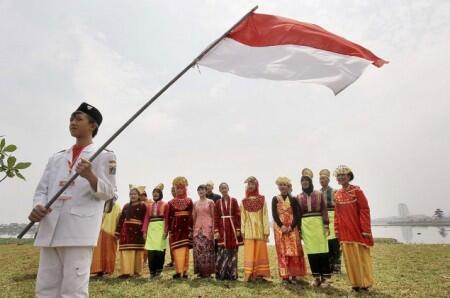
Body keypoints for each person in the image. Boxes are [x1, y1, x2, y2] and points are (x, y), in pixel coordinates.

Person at [28, 102, 116, 297]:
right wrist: (38, 206)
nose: (72, 122)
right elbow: (42, 190)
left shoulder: (104, 155)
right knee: (45, 288)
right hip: (50, 228)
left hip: (78, 230)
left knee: (73, 289)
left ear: (92, 126)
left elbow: (110, 193)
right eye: (71, 118)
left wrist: (91, 177)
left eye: (78, 118)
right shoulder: (57, 158)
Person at [334, 165, 374, 292]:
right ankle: (355, 284)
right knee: (349, 258)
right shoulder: (337, 194)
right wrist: (336, 229)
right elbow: (337, 213)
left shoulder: (357, 191)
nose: (340, 177)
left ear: (349, 176)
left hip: (357, 230)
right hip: (344, 231)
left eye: (343, 175)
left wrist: (365, 229)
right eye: (338, 175)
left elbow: (365, 210)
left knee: (361, 257)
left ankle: (365, 284)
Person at [297, 168, 331, 288]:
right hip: (306, 226)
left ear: (310, 182)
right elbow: (298, 214)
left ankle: (325, 278)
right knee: (311, 252)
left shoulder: (319, 194)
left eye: (306, 181)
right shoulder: (299, 197)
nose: (305, 183)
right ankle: (316, 277)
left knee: (323, 251)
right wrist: (299, 230)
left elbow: (324, 210)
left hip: (318, 224)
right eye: (302, 182)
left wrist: (326, 225)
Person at [272, 177, 306, 284]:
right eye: (280, 185)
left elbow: (297, 214)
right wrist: (281, 225)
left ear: (288, 187)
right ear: (278, 186)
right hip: (279, 228)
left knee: (294, 251)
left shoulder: (294, 199)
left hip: (292, 227)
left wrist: (291, 226)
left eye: (284, 185)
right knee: (282, 252)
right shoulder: (275, 199)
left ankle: (294, 276)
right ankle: (285, 277)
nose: (282, 187)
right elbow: (274, 214)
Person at [240, 176, 271, 282]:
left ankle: (259, 274)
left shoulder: (262, 199)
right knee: (249, 252)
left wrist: (266, 231)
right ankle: (249, 274)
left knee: (260, 252)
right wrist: (243, 231)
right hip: (248, 231)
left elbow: (265, 215)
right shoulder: (244, 201)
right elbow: (242, 217)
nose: (250, 186)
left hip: (260, 231)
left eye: (252, 184)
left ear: (256, 185)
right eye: (249, 184)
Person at [115, 186, 146, 278]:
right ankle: (126, 272)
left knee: (136, 251)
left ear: (139, 195)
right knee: (126, 251)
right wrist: (117, 232)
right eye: (131, 194)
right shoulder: (126, 206)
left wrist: (144, 231)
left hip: (138, 231)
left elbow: (145, 219)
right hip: (126, 231)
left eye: (135, 194)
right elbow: (121, 219)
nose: (133, 196)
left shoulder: (143, 205)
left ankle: (137, 272)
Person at [166, 176, 193, 279]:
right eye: (177, 188)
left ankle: (185, 271)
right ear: (175, 190)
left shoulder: (189, 201)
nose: (179, 190)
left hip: (186, 228)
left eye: (181, 188)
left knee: (185, 250)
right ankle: (178, 271)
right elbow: (169, 217)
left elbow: (191, 215)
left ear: (185, 189)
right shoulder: (170, 202)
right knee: (176, 250)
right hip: (175, 229)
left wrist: (191, 228)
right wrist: (169, 230)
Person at [214, 182, 243, 280]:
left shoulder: (234, 200)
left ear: (228, 188)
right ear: (220, 190)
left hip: (232, 228)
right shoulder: (218, 202)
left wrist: (238, 229)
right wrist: (216, 231)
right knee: (222, 250)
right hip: (222, 228)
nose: (223, 190)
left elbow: (238, 215)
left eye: (225, 188)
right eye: (221, 188)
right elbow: (216, 217)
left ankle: (232, 274)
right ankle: (222, 273)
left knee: (232, 250)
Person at [91, 195, 121, 277]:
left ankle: (108, 271)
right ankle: (99, 270)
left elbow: (119, 219)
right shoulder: (102, 206)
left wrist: (117, 232)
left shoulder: (117, 206)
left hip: (111, 232)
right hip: (100, 231)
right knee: (99, 252)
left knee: (109, 252)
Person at [142, 183, 167, 279]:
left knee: (160, 251)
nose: (155, 194)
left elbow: (166, 218)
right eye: (154, 193)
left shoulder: (165, 205)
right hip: (151, 229)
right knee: (151, 251)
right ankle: (152, 272)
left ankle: (159, 272)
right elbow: (146, 219)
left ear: (161, 194)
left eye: (157, 193)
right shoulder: (149, 206)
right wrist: (144, 231)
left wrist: (165, 230)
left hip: (161, 228)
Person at [319, 169, 341, 274]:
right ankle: (329, 265)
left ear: (328, 180)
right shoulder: (318, 193)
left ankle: (337, 266)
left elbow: (339, 206)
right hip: (322, 219)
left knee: (334, 242)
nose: (321, 180)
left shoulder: (335, 191)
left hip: (333, 216)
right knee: (326, 242)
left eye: (323, 178)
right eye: (320, 179)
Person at [192, 185, 216, 278]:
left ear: (206, 191)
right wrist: (194, 229)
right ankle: (200, 272)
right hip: (197, 230)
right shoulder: (195, 203)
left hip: (208, 229)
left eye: (203, 189)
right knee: (198, 251)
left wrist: (213, 229)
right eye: (199, 190)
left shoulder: (211, 202)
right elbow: (193, 216)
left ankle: (208, 272)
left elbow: (214, 216)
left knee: (207, 251)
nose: (201, 191)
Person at [164, 186, 177, 268]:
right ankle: (173, 261)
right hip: (172, 226)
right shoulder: (169, 203)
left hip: (181, 227)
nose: (173, 192)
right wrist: (168, 228)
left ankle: (180, 261)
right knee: (171, 244)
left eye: (174, 190)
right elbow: (167, 216)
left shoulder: (185, 201)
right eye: (172, 190)